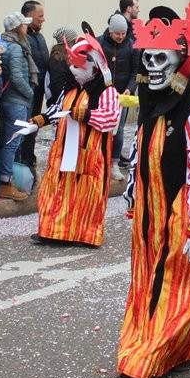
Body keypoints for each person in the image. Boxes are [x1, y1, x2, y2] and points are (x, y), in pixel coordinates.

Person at [105, 1, 190, 378]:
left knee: (167, 286)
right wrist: (134, 196)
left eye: (162, 58)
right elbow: (141, 152)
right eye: (147, 57)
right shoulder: (154, 101)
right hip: (149, 216)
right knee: (153, 284)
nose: (152, 65)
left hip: (182, 215)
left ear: (180, 60)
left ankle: (142, 363)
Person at [18, 26, 121, 247]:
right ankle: (51, 231)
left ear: (93, 67)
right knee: (55, 189)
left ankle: (84, 234)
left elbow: (111, 119)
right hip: (63, 151)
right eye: (72, 66)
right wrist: (39, 121)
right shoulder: (70, 89)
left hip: (90, 154)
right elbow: (58, 109)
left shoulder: (107, 92)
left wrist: (87, 115)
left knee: (87, 195)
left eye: (79, 66)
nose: (74, 71)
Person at [0, 12, 35, 200]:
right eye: (24, 25)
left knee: (3, 140)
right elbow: (17, 77)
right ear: (17, 28)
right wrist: (30, 92)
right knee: (13, 142)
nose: (26, 28)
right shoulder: (17, 48)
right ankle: (6, 183)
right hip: (16, 101)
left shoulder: (2, 45)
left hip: (5, 100)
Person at [98, 13, 140, 181]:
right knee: (101, 128)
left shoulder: (131, 45)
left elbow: (135, 71)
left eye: (123, 33)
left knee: (119, 130)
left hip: (121, 95)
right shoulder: (100, 43)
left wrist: (130, 88)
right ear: (110, 31)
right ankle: (100, 161)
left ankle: (114, 164)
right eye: (118, 34)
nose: (121, 37)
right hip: (102, 95)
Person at [18, 0, 48, 171]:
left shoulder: (39, 36)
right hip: (26, 91)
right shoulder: (22, 37)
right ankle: (20, 159)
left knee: (34, 124)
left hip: (38, 91)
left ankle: (29, 156)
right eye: (40, 16)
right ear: (29, 16)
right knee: (23, 125)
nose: (43, 19)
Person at [46, 26, 78, 106]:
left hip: (65, 100)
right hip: (59, 103)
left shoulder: (64, 58)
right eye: (74, 41)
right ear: (69, 42)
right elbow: (57, 85)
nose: (76, 43)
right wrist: (64, 102)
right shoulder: (57, 59)